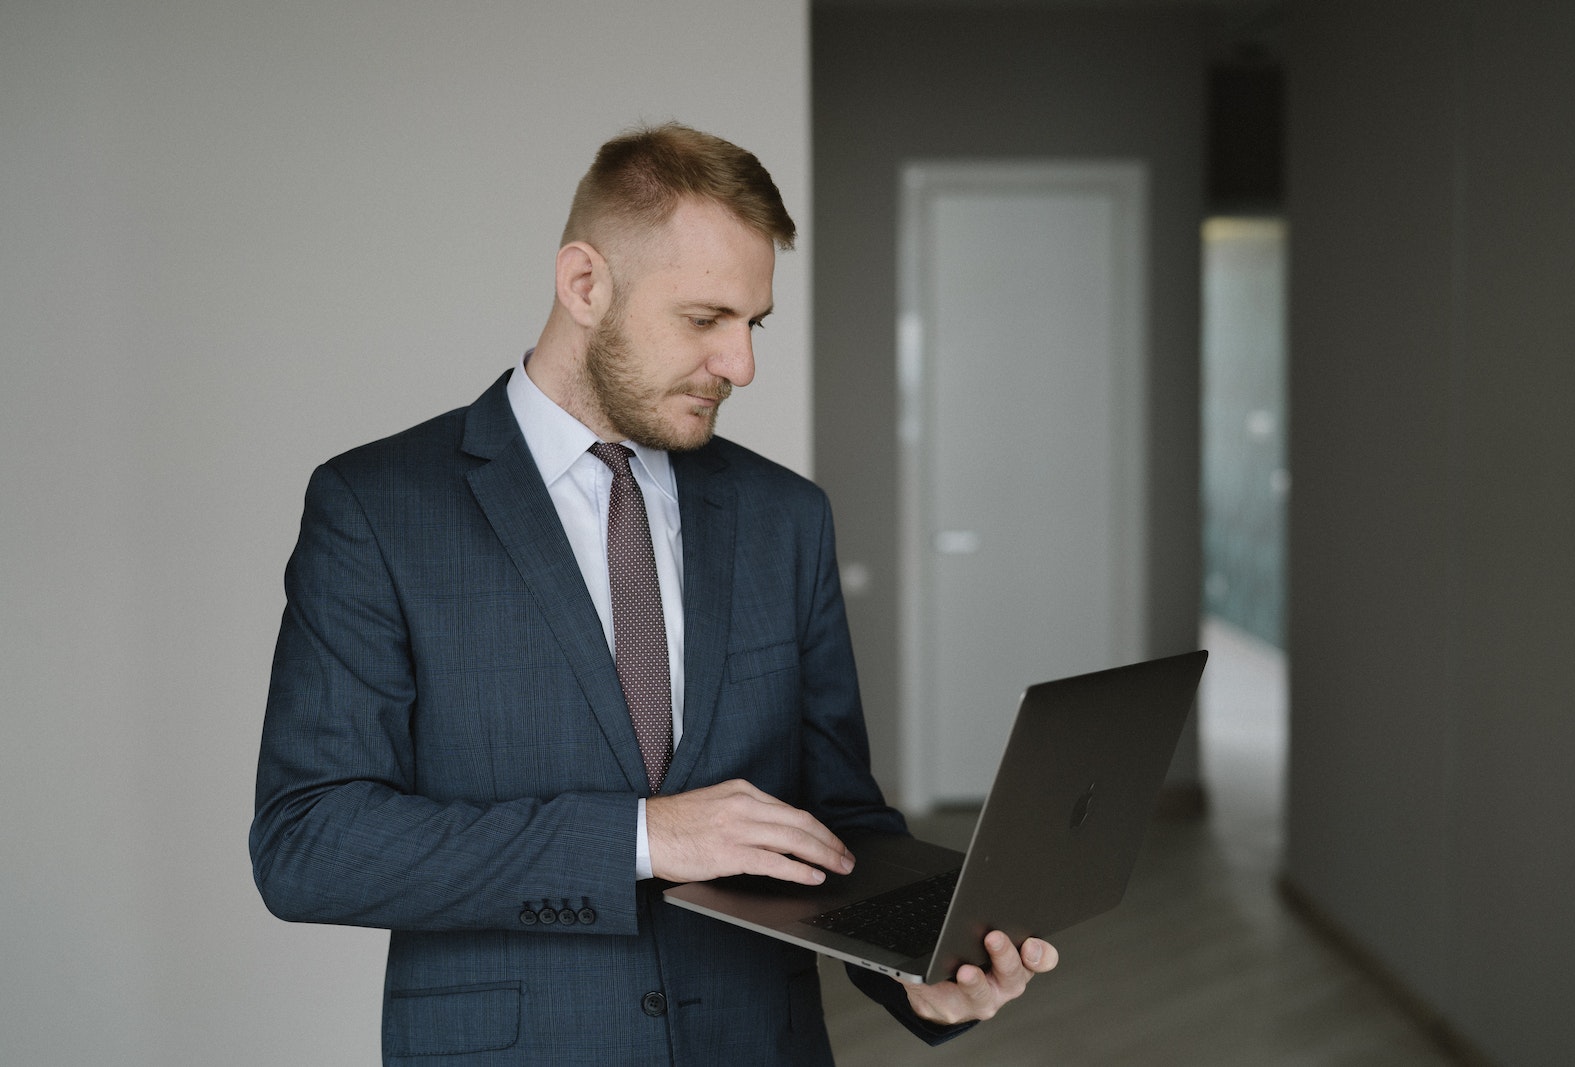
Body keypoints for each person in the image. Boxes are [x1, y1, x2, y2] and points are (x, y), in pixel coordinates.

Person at [250, 122, 1057, 1065]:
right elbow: (309, 843)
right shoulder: (377, 508)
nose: (742, 366)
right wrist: (639, 836)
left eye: (752, 325)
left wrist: (916, 963)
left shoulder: (786, 515)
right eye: (705, 319)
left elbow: (840, 819)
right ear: (585, 283)